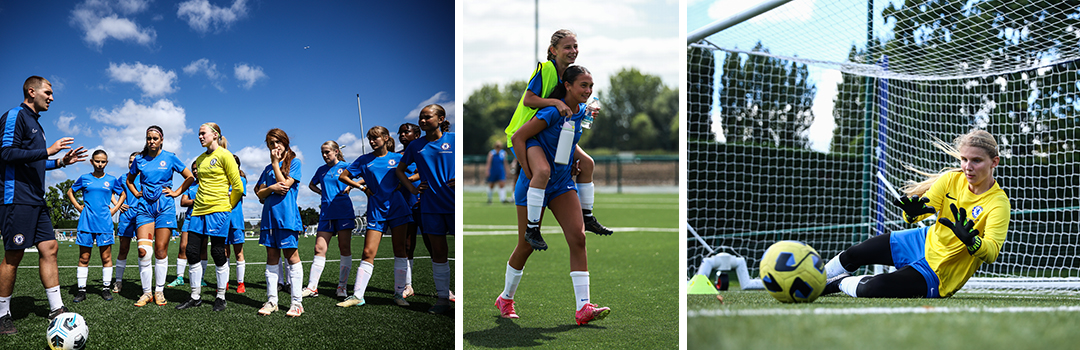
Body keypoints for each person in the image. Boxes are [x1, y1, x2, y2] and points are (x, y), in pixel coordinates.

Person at [822, 129, 1010, 299]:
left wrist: (971, 241)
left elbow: (991, 252)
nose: (968, 167)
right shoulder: (951, 179)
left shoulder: (998, 203)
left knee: (874, 288)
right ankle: (817, 276)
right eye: (964, 159)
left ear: (994, 162)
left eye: (976, 160)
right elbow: (918, 214)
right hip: (922, 240)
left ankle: (837, 282)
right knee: (854, 254)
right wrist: (912, 214)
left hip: (941, 270)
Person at [497, 66, 611, 325]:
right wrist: (529, 172)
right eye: (583, 85)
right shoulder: (550, 111)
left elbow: (567, 140)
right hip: (534, 185)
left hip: (561, 185)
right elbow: (518, 138)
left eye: (591, 86)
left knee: (578, 238)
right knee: (526, 246)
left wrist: (575, 158)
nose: (588, 91)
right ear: (567, 85)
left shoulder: (581, 111)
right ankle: (505, 298)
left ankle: (583, 307)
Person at [502, 29, 612, 250]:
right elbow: (528, 100)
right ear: (553, 51)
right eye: (567, 47)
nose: (573, 51)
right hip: (528, 134)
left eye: (575, 46)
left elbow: (570, 103)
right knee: (541, 172)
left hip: (551, 132)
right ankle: (532, 228)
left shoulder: (568, 74)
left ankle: (587, 215)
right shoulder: (547, 69)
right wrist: (555, 103)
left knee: (588, 163)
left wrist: (585, 109)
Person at [0, 76, 87, 334]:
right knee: (13, 256)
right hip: (16, 197)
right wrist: (49, 152)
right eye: (47, 92)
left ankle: (56, 308)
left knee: (50, 247)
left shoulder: (37, 124)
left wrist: (60, 162)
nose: (51, 97)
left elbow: (35, 160)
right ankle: (3, 313)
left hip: (36, 200)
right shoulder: (16, 115)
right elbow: (6, 153)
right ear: (31, 91)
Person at [336, 127, 413, 308]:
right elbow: (344, 176)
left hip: (398, 208)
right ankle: (357, 296)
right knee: (368, 252)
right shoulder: (364, 160)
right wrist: (362, 188)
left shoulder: (399, 158)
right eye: (370, 138)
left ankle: (399, 294)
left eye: (375, 138)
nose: (372, 141)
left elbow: (416, 172)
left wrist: (403, 185)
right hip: (376, 210)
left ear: (386, 138)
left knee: (400, 250)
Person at [176, 122, 243, 311]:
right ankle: (195, 296)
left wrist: (228, 206)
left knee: (217, 252)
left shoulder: (225, 155)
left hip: (219, 210)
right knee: (191, 251)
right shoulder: (199, 159)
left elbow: (238, 186)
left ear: (215, 135)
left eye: (202, 133)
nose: (199, 136)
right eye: (198, 134)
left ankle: (221, 296)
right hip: (198, 210)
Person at [395, 104, 454, 314]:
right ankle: (442, 300)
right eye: (421, 117)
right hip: (430, 205)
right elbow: (400, 171)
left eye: (427, 117)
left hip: (456, 204)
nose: (422, 120)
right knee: (439, 252)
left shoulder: (454, 139)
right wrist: (412, 188)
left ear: (440, 118)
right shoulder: (415, 146)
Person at [127, 125, 195, 307]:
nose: (151, 141)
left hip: (165, 208)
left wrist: (177, 192)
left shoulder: (170, 157)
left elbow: (189, 177)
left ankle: (159, 291)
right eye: (149, 138)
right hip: (144, 208)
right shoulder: (139, 159)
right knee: (143, 251)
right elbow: (129, 180)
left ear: (161, 140)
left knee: (160, 250)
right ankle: (146, 292)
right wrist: (136, 193)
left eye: (155, 138)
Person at [255, 128, 305, 317]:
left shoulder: (295, 163)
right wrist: (271, 188)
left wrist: (276, 164)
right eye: (271, 143)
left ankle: (296, 302)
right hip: (269, 219)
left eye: (278, 142)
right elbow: (260, 194)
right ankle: (272, 300)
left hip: (287, 218)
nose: (275, 146)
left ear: (285, 143)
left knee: (292, 257)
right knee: (271, 258)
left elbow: (284, 187)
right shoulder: (266, 169)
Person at [65, 150, 126, 302]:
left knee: (106, 257)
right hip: (86, 222)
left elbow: (123, 194)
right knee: (84, 258)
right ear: (91, 162)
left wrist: (114, 209)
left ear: (107, 162)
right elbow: (70, 192)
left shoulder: (111, 180)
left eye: (103, 161)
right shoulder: (84, 178)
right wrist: (79, 207)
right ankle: (81, 290)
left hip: (104, 223)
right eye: (97, 161)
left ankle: (105, 289)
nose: (100, 164)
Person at [303, 141, 355, 299]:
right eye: (322, 153)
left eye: (327, 152)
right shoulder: (321, 170)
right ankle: (312, 287)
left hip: (343, 211)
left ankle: (342, 287)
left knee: (344, 248)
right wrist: (321, 193)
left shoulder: (347, 166)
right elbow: (312, 184)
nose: (325, 155)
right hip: (326, 212)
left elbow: (364, 177)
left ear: (336, 151)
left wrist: (351, 186)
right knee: (319, 248)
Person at [397, 123, 425, 300]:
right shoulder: (397, 156)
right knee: (408, 244)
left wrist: (406, 177)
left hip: (424, 200)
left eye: (406, 131)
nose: (402, 135)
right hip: (404, 202)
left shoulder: (424, 152)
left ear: (416, 134)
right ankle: (408, 284)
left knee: (434, 243)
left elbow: (425, 172)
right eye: (400, 132)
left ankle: (444, 288)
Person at [167, 161, 203, 289]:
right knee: (183, 247)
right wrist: (198, 200)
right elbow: (183, 202)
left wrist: (192, 201)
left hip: (203, 219)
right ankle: (180, 277)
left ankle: (201, 278)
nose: (194, 171)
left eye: (197, 169)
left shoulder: (208, 184)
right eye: (193, 169)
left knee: (202, 250)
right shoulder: (190, 185)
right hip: (189, 218)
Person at [112, 152, 143, 294]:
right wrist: (117, 204)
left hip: (143, 216)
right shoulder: (123, 178)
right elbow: (110, 192)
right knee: (123, 249)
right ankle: (118, 281)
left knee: (143, 251)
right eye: (130, 161)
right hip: (125, 217)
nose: (132, 164)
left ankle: (145, 284)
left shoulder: (146, 177)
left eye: (135, 161)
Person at [226, 154, 248, 294]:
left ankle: (241, 283)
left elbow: (236, 194)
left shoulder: (241, 179)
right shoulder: (222, 180)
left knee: (238, 252)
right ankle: (225, 281)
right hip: (222, 220)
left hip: (236, 221)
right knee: (224, 253)